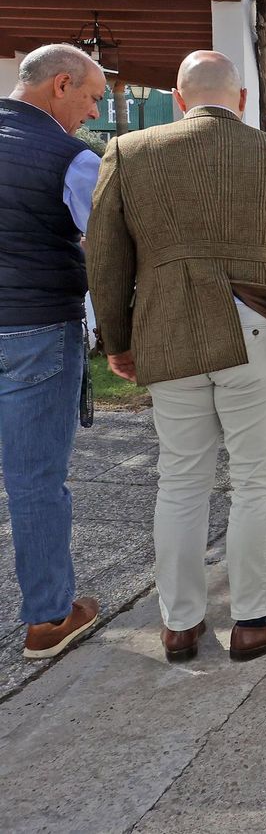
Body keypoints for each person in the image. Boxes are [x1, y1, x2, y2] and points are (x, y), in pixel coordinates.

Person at [86, 50, 266, 662]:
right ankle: (254, 617)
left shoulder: (128, 151)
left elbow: (106, 258)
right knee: (255, 480)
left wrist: (117, 341)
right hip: (256, 324)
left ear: (179, 94)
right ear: (240, 99)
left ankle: (179, 623)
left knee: (181, 480)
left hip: (167, 330)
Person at [0, 43, 105, 660]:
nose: (93, 111)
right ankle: (47, 616)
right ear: (61, 85)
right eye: (91, 97)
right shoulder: (70, 158)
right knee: (35, 479)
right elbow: (107, 248)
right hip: (34, 327)